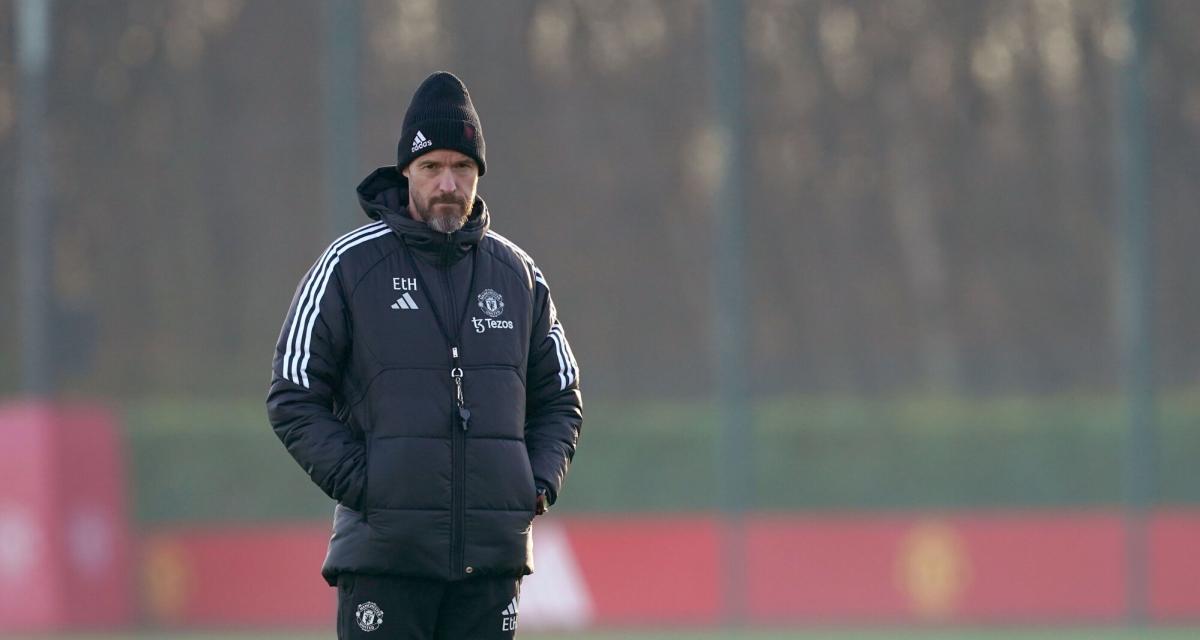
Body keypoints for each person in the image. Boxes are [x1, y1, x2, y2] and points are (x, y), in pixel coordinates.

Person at [266, 71, 582, 639]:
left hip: (489, 568)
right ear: (406, 171)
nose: (448, 183)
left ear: (478, 174)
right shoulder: (349, 266)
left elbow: (561, 397)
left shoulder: (518, 275)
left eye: (462, 167)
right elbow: (292, 394)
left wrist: (532, 485)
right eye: (431, 166)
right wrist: (369, 485)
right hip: (386, 563)